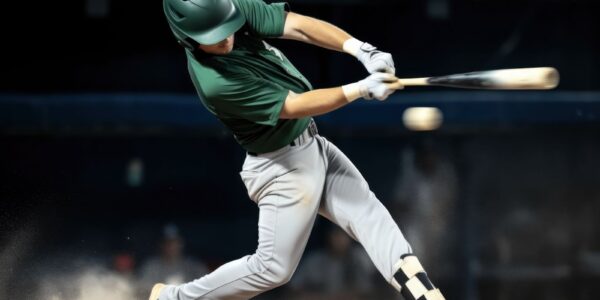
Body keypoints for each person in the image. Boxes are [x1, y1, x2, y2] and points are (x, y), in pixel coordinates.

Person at [151, 0, 446, 299]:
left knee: (369, 214)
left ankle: (422, 292)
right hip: (281, 167)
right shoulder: (215, 83)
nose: (227, 36)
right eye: (214, 35)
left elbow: (298, 26)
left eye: (227, 27)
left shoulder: (232, 9)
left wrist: (361, 49)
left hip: (310, 144)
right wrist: (359, 89)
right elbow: (293, 105)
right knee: (273, 268)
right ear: (189, 38)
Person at [289, 227, 377, 299]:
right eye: (336, 235)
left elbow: (366, 292)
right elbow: (293, 290)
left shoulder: (356, 261)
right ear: (329, 236)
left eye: (343, 235)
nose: (339, 240)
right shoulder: (313, 261)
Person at [140, 224, 208, 292]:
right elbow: (142, 289)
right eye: (167, 243)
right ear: (161, 244)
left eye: (174, 242)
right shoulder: (151, 266)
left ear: (181, 243)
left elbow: (206, 287)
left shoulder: (193, 266)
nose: (171, 246)